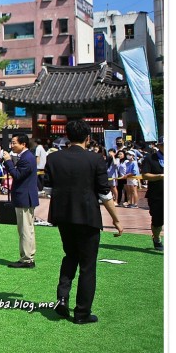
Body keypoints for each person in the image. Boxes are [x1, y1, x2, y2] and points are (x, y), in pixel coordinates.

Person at [45, 120, 123, 324]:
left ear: (67, 136)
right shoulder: (96, 159)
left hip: (63, 216)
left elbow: (48, 190)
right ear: (88, 137)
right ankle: (82, 313)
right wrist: (116, 219)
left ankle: (62, 298)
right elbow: (105, 193)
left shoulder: (53, 158)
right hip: (88, 217)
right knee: (88, 266)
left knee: (70, 255)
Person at [2, 133, 39, 268]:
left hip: (24, 198)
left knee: (25, 230)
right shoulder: (26, 157)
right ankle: (28, 257)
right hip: (24, 198)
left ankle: (27, 259)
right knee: (27, 229)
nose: (12, 145)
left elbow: (17, 175)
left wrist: (8, 161)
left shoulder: (27, 158)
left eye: (14, 143)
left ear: (23, 144)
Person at [140, 141, 164, 251]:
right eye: (163, 144)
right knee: (158, 220)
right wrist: (160, 176)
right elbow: (144, 175)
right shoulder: (150, 158)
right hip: (157, 195)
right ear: (159, 146)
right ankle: (157, 238)